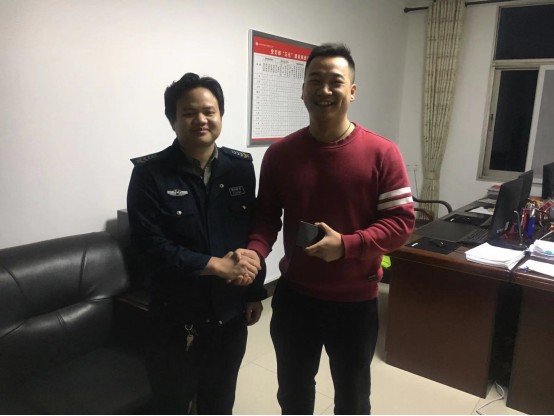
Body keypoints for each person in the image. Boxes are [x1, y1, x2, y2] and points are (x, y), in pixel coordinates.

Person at [246, 44, 416, 415]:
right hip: (295, 298)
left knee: (353, 400)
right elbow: (266, 217)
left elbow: (401, 223)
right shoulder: (280, 154)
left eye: (335, 81)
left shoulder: (382, 153)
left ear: (352, 91)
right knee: (293, 394)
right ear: (303, 90)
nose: (324, 90)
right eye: (315, 80)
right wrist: (255, 253)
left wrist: (348, 245)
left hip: (354, 303)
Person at [127, 73, 266, 415]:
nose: (201, 120)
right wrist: (215, 265)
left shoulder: (240, 167)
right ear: (172, 120)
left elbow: (249, 232)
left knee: (220, 400)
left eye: (209, 111)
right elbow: (149, 246)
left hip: (229, 314)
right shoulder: (150, 174)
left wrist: (253, 292)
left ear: (220, 115)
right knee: (173, 402)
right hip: (176, 316)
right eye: (189, 113)